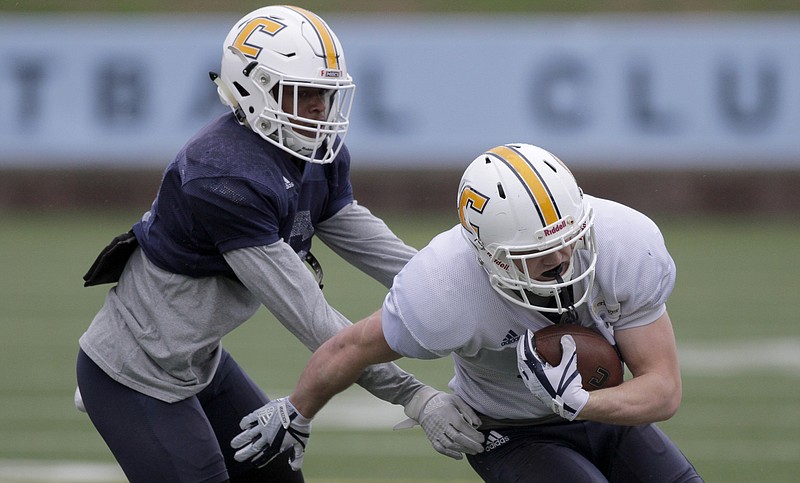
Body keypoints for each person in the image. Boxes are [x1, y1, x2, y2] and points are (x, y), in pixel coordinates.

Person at [74, 6, 483, 482]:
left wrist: (472, 289)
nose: (319, 108)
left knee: (277, 478)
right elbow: (314, 321)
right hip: (135, 373)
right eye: (303, 92)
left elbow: (382, 251)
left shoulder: (310, 148)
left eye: (326, 94)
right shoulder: (224, 176)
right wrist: (414, 394)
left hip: (198, 359)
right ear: (253, 91)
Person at [234, 143, 704, 482]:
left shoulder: (624, 241)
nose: (560, 260)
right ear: (489, 254)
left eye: (567, 240)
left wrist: (585, 404)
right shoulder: (444, 286)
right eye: (537, 251)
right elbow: (352, 347)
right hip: (512, 432)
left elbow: (663, 390)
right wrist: (298, 411)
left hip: (609, 415)